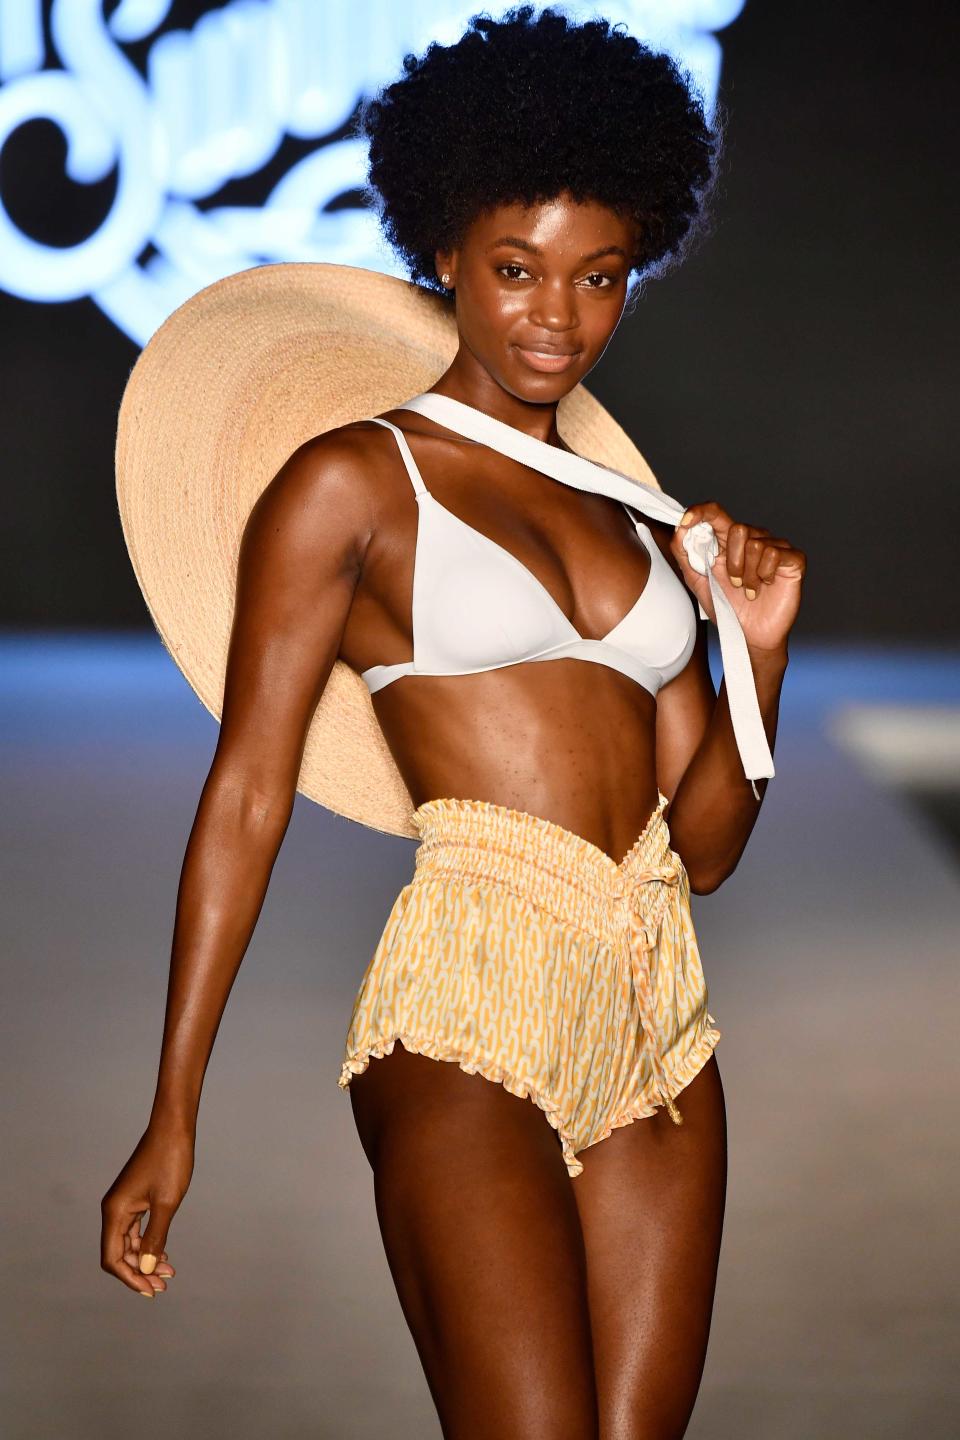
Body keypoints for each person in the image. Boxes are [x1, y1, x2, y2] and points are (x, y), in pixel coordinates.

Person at [101, 8, 805, 1437]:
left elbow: (712, 846)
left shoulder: (641, 520)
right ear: (443, 257)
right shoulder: (352, 487)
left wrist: (758, 658)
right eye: (516, 269)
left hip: (660, 1021)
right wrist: (175, 1109)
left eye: (598, 277)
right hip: (464, 1008)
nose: (558, 315)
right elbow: (247, 793)